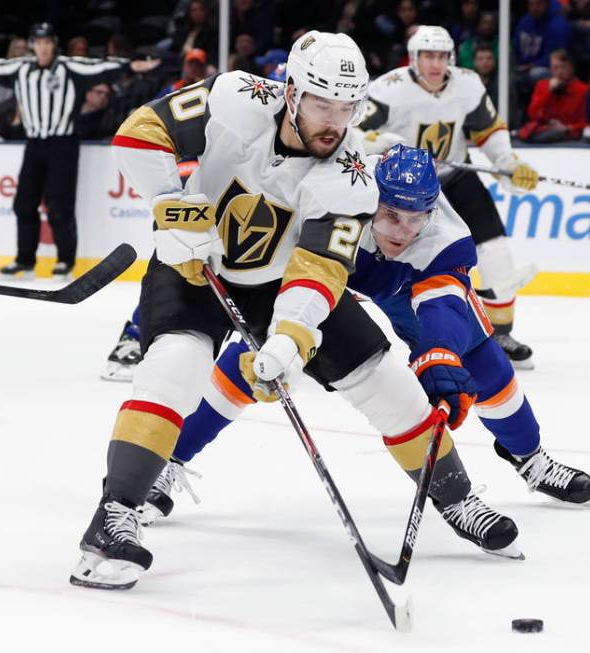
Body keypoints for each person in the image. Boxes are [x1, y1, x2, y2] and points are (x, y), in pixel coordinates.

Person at [69, 31, 521, 591]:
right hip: (192, 266)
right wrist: (170, 204)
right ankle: (114, 516)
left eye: (346, 106)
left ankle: (458, 500)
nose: (335, 120)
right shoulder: (236, 95)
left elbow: (319, 270)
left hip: (283, 280)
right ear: (291, 92)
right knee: (175, 367)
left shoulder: (353, 176)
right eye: (322, 103)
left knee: (388, 384)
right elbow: (140, 131)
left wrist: (287, 340)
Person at [141, 144, 590, 529]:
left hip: (406, 284)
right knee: (259, 355)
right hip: (329, 269)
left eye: (415, 218)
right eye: (390, 215)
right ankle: (169, 462)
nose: (402, 231)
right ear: (370, 199)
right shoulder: (334, 196)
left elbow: (442, 305)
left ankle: (531, 459)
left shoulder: (445, 240)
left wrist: (439, 356)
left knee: (482, 361)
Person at [357, 25, 540, 370]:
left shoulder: (468, 83)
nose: (435, 63)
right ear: (414, 58)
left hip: (455, 176)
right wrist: (375, 141)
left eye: (441, 56)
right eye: (428, 55)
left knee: (496, 248)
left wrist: (508, 162)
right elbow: (354, 130)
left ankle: (500, 332)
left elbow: (488, 128)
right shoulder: (388, 89)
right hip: (403, 190)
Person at [0, 22, 161, 281]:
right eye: (38, 43)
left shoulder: (68, 67)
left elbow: (103, 66)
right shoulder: (22, 68)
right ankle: (25, 260)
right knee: (23, 203)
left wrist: (132, 64)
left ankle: (65, 261)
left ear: (54, 44)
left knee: (60, 207)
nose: (43, 48)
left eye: (47, 43)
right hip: (35, 144)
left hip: (63, 144)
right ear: (34, 45)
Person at [519, 48, 588, 143]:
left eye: (563, 67)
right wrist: (549, 92)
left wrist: (567, 128)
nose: (559, 72)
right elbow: (533, 115)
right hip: (544, 132)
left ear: (572, 68)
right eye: (555, 68)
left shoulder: (583, 89)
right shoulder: (542, 86)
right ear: (550, 69)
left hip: (571, 135)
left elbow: (586, 122)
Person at [514, 0, 569, 85]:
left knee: (536, 73)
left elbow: (555, 56)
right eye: (531, 4)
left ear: (547, 3)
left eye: (539, 4)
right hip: (524, 66)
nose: (534, 8)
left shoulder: (558, 24)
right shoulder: (525, 21)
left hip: (548, 69)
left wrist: (532, 65)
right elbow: (516, 47)